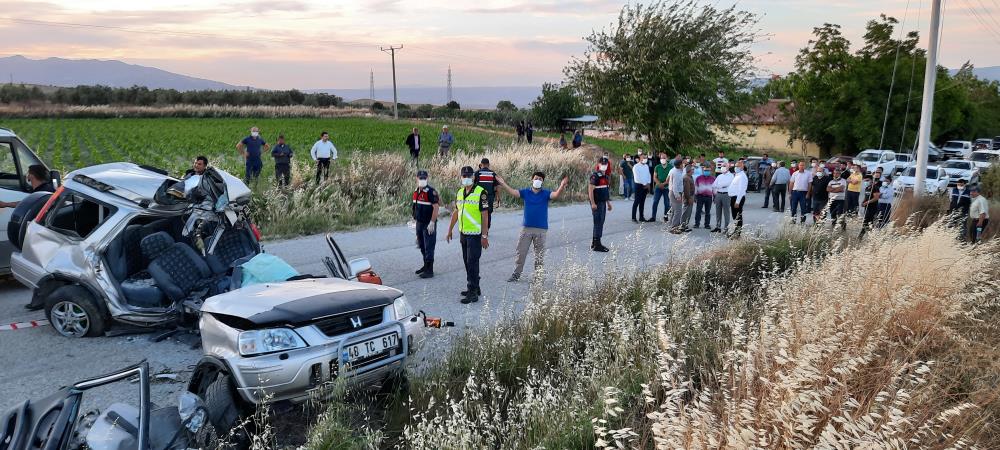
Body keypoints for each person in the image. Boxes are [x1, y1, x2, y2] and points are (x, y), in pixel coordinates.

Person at [495, 172, 568, 282]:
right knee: (521, 252)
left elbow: (556, 195)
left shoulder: (545, 194)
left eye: (540, 179)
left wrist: (562, 186)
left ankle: (538, 277)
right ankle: (516, 274)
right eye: (536, 178)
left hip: (541, 230)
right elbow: (514, 192)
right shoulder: (526, 192)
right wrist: (503, 183)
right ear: (532, 180)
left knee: (539, 255)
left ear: (542, 182)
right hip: (526, 229)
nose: (537, 180)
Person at [445, 166, 490, 304]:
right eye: (463, 176)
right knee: (467, 261)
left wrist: (484, 236)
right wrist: (450, 230)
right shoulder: (459, 192)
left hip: (475, 235)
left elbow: (485, 216)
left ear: (474, 177)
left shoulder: (481, 193)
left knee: (472, 261)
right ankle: (475, 286)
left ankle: (472, 292)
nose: (466, 178)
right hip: (463, 233)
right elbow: (456, 212)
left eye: (468, 176)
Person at [411, 170, 440, 279]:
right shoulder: (416, 192)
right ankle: (425, 265)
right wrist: (414, 220)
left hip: (428, 223)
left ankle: (430, 270)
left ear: (427, 178)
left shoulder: (431, 192)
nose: (422, 180)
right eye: (420, 178)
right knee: (422, 245)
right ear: (416, 178)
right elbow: (415, 207)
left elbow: (436, 207)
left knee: (429, 247)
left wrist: (432, 222)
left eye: (424, 178)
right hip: (419, 223)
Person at [589, 156, 614, 251]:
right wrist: (593, 203)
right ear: (598, 165)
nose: (604, 166)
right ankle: (597, 244)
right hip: (597, 202)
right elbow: (590, 190)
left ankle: (594, 242)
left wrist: (608, 203)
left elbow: (605, 191)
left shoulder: (606, 177)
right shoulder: (595, 176)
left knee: (600, 222)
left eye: (605, 164)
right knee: (598, 222)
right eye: (602, 164)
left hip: (603, 202)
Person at [474, 158, 499, 229]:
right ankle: (486, 229)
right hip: (489, 197)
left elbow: (473, 185)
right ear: (488, 165)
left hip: (480, 197)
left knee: (480, 212)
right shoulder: (493, 174)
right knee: (487, 213)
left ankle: (480, 229)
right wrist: (498, 197)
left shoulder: (477, 173)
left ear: (481, 164)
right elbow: (496, 187)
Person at [859, 169, 883, 237]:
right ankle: (873, 235)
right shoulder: (867, 187)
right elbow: (866, 196)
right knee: (869, 222)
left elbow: (876, 198)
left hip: (872, 207)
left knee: (866, 221)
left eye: (867, 180)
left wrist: (867, 202)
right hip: (867, 207)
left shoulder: (875, 187)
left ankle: (861, 236)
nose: (866, 182)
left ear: (871, 180)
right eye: (865, 180)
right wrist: (863, 202)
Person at [729, 160, 748, 238]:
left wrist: (737, 201)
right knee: (735, 216)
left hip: (737, 198)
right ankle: (736, 231)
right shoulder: (737, 175)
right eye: (735, 166)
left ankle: (737, 233)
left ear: (742, 167)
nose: (735, 168)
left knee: (738, 216)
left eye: (737, 166)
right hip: (734, 197)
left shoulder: (742, 176)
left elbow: (741, 190)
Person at [711, 163, 733, 233]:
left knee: (726, 212)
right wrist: (720, 186)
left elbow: (726, 184)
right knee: (718, 211)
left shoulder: (731, 176)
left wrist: (719, 185)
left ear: (728, 167)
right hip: (718, 194)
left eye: (724, 166)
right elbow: (714, 185)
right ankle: (718, 227)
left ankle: (726, 228)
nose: (722, 167)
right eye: (722, 166)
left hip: (726, 195)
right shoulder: (719, 176)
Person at [651, 153, 671, 223]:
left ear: (667, 159)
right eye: (661, 158)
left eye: (664, 158)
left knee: (667, 203)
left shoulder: (670, 167)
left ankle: (666, 217)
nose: (663, 159)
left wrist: (664, 184)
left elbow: (671, 178)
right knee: (655, 201)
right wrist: (659, 184)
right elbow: (655, 177)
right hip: (658, 187)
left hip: (667, 187)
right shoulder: (657, 167)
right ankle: (653, 217)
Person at [632, 153, 652, 223]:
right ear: (640, 159)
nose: (645, 159)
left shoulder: (646, 166)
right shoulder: (636, 166)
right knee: (637, 201)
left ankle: (641, 217)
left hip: (646, 185)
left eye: (646, 158)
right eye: (643, 158)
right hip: (639, 185)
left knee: (642, 202)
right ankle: (633, 217)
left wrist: (648, 183)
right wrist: (644, 184)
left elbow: (648, 175)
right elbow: (637, 178)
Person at [694, 162, 715, 229]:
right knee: (698, 211)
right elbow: (696, 187)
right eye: (705, 170)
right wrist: (695, 196)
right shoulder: (698, 178)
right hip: (700, 196)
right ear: (703, 170)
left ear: (710, 171)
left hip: (709, 197)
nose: (707, 171)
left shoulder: (713, 179)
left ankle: (707, 224)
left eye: (708, 170)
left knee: (708, 212)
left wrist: (715, 197)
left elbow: (714, 189)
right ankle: (697, 224)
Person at [667, 159, 686, 233]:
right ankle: (674, 228)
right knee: (678, 211)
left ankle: (671, 225)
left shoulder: (673, 170)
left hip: (672, 192)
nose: (683, 165)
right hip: (675, 193)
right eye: (682, 164)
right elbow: (675, 186)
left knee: (674, 210)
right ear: (680, 165)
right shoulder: (676, 173)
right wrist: (677, 196)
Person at [681, 163, 695, 232]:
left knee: (689, 212)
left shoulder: (690, 177)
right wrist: (689, 198)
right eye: (692, 169)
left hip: (691, 196)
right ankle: (682, 225)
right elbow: (686, 190)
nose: (693, 170)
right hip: (688, 197)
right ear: (689, 170)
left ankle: (686, 225)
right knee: (685, 211)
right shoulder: (686, 178)